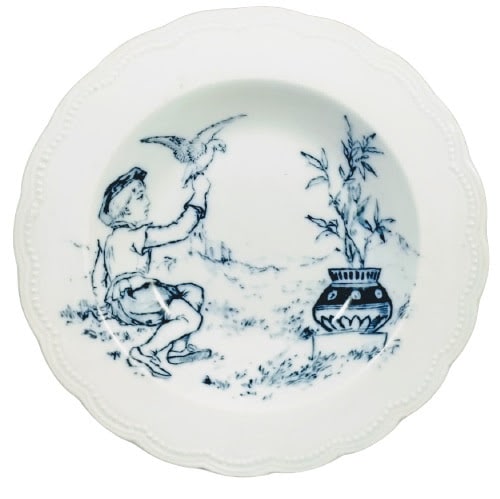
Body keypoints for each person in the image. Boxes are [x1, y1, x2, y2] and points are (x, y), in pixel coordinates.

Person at [92, 166, 212, 378]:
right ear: (124, 210)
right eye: (140, 197)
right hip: (138, 297)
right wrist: (199, 195)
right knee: (192, 319)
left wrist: (104, 304)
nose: (147, 202)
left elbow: (98, 276)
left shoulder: (109, 239)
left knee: (193, 291)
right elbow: (180, 230)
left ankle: (178, 349)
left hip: (124, 302)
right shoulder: (137, 235)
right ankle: (145, 351)